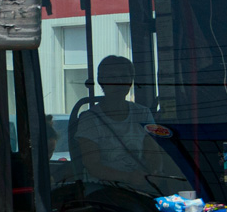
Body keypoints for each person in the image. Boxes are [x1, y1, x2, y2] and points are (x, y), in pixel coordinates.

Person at [76, 55, 184, 197]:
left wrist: (155, 172)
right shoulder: (89, 119)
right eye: (112, 78)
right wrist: (127, 177)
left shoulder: (143, 113)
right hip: (103, 192)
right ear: (101, 81)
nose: (119, 82)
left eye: (124, 77)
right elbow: (93, 166)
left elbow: (152, 151)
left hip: (141, 188)